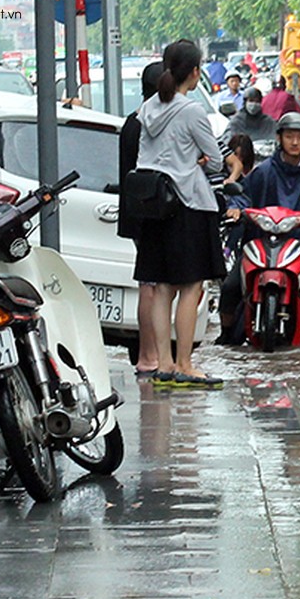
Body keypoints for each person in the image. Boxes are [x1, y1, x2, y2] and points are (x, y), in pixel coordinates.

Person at [134, 40, 228, 389]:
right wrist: (199, 161)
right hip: (189, 204)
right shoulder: (191, 111)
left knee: (160, 288)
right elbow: (215, 160)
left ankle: (164, 364)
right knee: (190, 286)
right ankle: (186, 364)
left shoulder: (147, 109)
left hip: (155, 206)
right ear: (194, 72)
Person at [218, 112, 300, 341]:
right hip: (261, 242)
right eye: (289, 137)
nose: (295, 142)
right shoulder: (264, 171)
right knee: (229, 288)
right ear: (279, 138)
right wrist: (236, 209)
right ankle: (226, 334)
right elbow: (243, 195)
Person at [118, 61, 165, 380]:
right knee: (151, 286)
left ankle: (150, 354)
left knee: (149, 284)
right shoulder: (147, 123)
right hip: (150, 213)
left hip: (138, 212)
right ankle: (149, 356)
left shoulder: (132, 121)